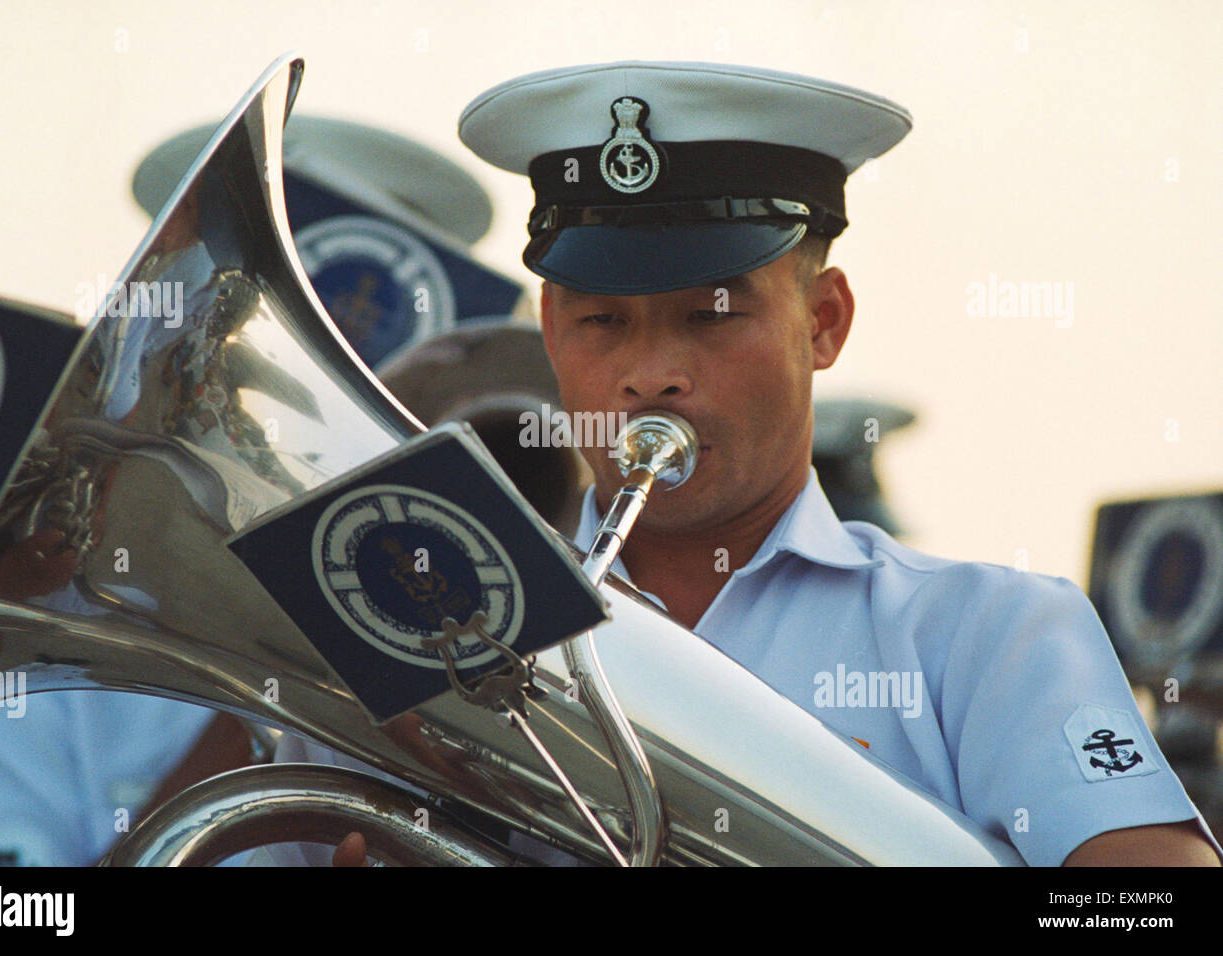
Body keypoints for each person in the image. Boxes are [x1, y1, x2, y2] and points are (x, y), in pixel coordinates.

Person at [275, 60, 1221, 867]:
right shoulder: (424, 628)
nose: (652, 376)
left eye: (712, 314)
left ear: (824, 323)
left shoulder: (983, 635)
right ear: (554, 332)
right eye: (605, 321)